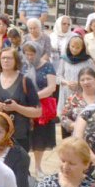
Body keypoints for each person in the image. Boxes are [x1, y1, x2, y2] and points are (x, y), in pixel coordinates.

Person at [0, 49, 41, 153]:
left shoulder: (25, 81)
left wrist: (16, 107)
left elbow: (37, 112)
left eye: (9, 58)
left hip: (18, 135)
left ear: (16, 60)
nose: (6, 60)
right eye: (3, 58)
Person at [22, 41, 58, 176]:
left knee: (39, 138)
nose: (30, 57)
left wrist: (34, 96)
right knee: (24, 136)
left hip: (42, 107)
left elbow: (51, 87)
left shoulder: (48, 66)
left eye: (32, 54)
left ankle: (37, 166)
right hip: (25, 106)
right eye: (27, 54)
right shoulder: (23, 66)